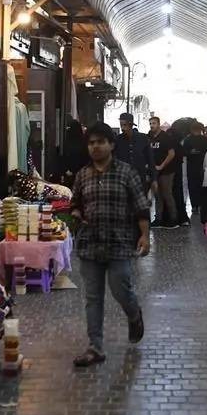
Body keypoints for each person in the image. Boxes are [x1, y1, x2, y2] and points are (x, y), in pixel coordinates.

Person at [69, 122, 149, 367]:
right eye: (91, 143)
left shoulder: (127, 172)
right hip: (90, 244)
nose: (95, 147)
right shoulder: (83, 174)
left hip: (119, 243)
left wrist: (144, 235)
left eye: (100, 142)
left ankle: (134, 314)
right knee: (93, 298)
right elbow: (75, 203)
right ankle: (95, 347)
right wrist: (75, 214)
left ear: (111, 145)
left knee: (120, 288)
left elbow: (141, 207)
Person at [149, 116, 179, 228]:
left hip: (167, 171)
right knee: (157, 196)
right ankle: (158, 219)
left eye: (154, 123)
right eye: (150, 123)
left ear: (159, 124)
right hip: (155, 171)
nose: (152, 125)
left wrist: (162, 165)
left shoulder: (165, 137)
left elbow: (171, 153)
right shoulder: (150, 137)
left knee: (167, 194)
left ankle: (173, 219)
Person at [114, 112, 153, 190]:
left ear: (131, 125)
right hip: (123, 177)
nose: (122, 128)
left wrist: (153, 178)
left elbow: (150, 159)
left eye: (124, 125)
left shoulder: (142, 138)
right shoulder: (118, 139)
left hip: (140, 176)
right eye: (121, 125)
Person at [182, 122, 207, 220]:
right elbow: (184, 152)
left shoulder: (189, 139)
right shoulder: (199, 139)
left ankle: (197, 205)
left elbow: (206, 151)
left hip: (196, 165)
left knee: (195, 185)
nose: (197, 132)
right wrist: (190, 152)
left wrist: (190, 152)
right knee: (197, 185)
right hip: (197, 165)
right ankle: (196, 205)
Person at [58, 118, 88, 185]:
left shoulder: (66, 141)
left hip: (69, 173)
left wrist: (65, 170)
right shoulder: (83, 142)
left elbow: (62, 157)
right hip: (81, 174)